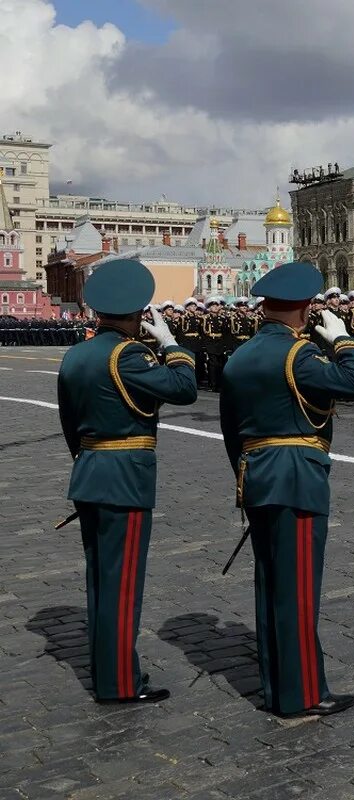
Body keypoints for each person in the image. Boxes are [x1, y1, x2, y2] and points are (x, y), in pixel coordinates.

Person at [219, 261, 354, 718]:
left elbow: (231, 432)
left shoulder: (241, 356)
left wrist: (247, 480)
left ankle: (278, 687)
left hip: (258, 475)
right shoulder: (298, 354)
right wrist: (342, 339)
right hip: (296, 478)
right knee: (299, 590)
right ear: (304, 311)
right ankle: (303, 694)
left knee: (270, 586)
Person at [56, 258, 198, 704]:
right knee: (122, 585)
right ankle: (119, 684)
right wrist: (172, 343)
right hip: (125, 481)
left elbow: (68, 423)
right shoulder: (129, 353)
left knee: (100, 581)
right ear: (137, 312)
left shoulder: (77, 353)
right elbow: (183, 388)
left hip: (89, 473)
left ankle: (106, 672)